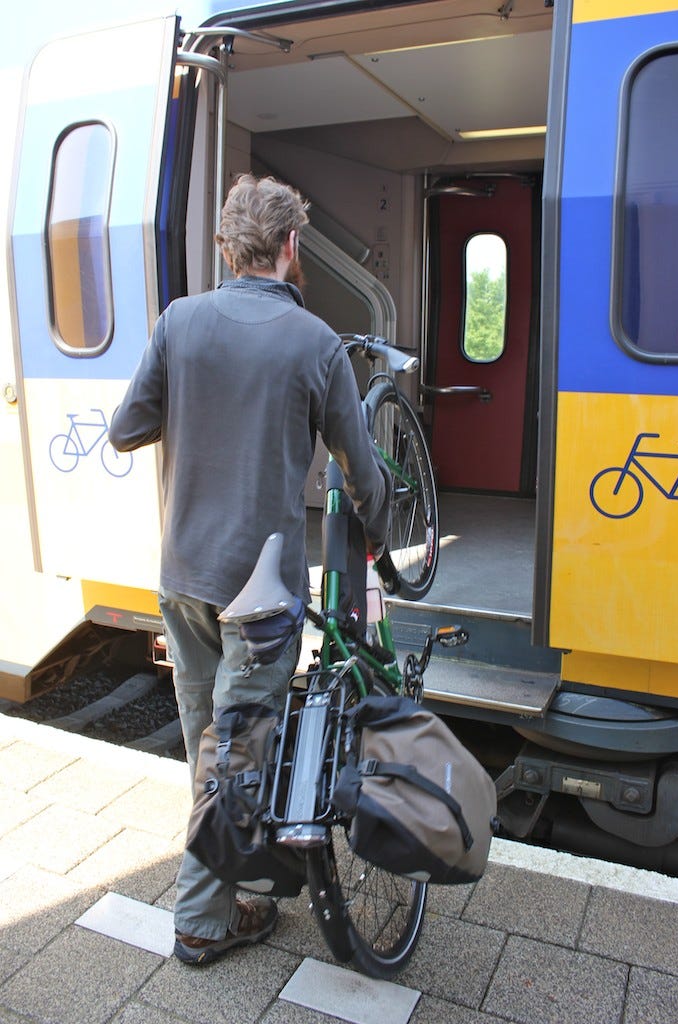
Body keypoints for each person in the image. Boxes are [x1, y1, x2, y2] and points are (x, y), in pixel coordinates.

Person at [109, 174, 390, 966]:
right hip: (258, 596)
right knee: (233, 753)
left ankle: (233, 880)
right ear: (293, 248)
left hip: (184, 576)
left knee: (210, 740)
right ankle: (202, 921)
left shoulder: (180, 321)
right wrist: (383, 533)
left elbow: (128, 430)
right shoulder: (314, 343)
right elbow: (358, 468)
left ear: (225, 248)